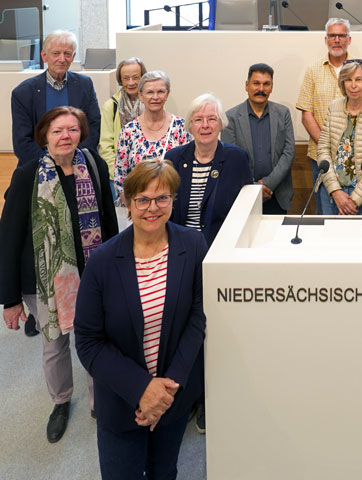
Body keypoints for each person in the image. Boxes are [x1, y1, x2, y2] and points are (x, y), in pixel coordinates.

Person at [75, 160, 207, 480]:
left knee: (164, 472)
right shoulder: (103, 261)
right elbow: (89, 342)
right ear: (128, 203)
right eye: (142, 200)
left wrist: (168, 386)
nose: (152, 208)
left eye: (162, 198)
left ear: (174, 201)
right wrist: (142, 389)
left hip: (172, 397)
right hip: (122, 403)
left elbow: (197, 316)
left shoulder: (192, 245)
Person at [0, 106, 118, 443]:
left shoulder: (94, 165)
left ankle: (101, 402)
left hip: (93, 275)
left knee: (96, 339)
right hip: (42, 281)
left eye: (72, 129)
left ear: (81, 132)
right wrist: (9, 300)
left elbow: (108, 222)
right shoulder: (27, 175)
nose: (65, 136)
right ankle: (61, 401)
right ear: (45, 137)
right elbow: (8, 237)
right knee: (55, 345)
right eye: (57, 131)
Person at [297, 18, 362, 214]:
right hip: (321, 159)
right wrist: (330, 147)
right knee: (326, 215)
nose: (337, 40)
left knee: (356, 214)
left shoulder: (361, 69)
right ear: (325, 39)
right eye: (332, 35)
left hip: (355, 160)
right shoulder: (313, 70)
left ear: (349, 39)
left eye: (341, 35)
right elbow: (307, 114)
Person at [168, 93, 253, 245]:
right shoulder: (174, 159)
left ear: (221, 124)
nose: (205, 125)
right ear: (190, 126)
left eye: (212, 119)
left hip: (223, 245)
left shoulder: (237, 158)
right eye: (198, 119)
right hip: (182, 246)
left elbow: (246, 208)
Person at [11, 30, 101, 168]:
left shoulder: (85, 85)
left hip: (79, 164)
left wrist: (74, 160)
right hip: (38, 167)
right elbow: (22, 142)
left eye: (67, 54)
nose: (62, 59)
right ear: (44, 55)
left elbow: (93, 127)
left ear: (73, 56)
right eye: (56, 53)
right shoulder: (23, 93)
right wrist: (51, 163)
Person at [317, 59, 362, 215]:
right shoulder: (333, 107)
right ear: (342, 83)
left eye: (358, 79)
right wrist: (336, 191)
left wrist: (353, 200)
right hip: (332, 194)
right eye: (348, 80)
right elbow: (323, 150)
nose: (353, 85)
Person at [223, 63, 294, 214]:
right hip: (243, 194)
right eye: (256, 83)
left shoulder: (283, 114)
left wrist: (267, 184)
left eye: (266, 84)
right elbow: (231, 160)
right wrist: (254, 188)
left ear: (272, 87)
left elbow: (288, 153)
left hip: (277, 194)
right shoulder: (230, 117)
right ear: (247, 85)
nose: (261, 89)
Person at [114, 70, 192, 206]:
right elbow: (121, 177)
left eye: (160, 92)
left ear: (167, 94)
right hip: (138, 208)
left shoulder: (181, 127)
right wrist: (135, 209)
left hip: (174, 207)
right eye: (149, 92)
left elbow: (188, 171)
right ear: (140, 95)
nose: (155, 97)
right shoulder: (128, 131)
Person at [98, 57, 147, 182]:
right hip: (118, 177)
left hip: (147, 175)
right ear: (120, 80)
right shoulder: (111, 106)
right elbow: (105, 146)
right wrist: (117, 174)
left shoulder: (151, 104)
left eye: (135, 77)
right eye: (126, 78)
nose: (131, 83)